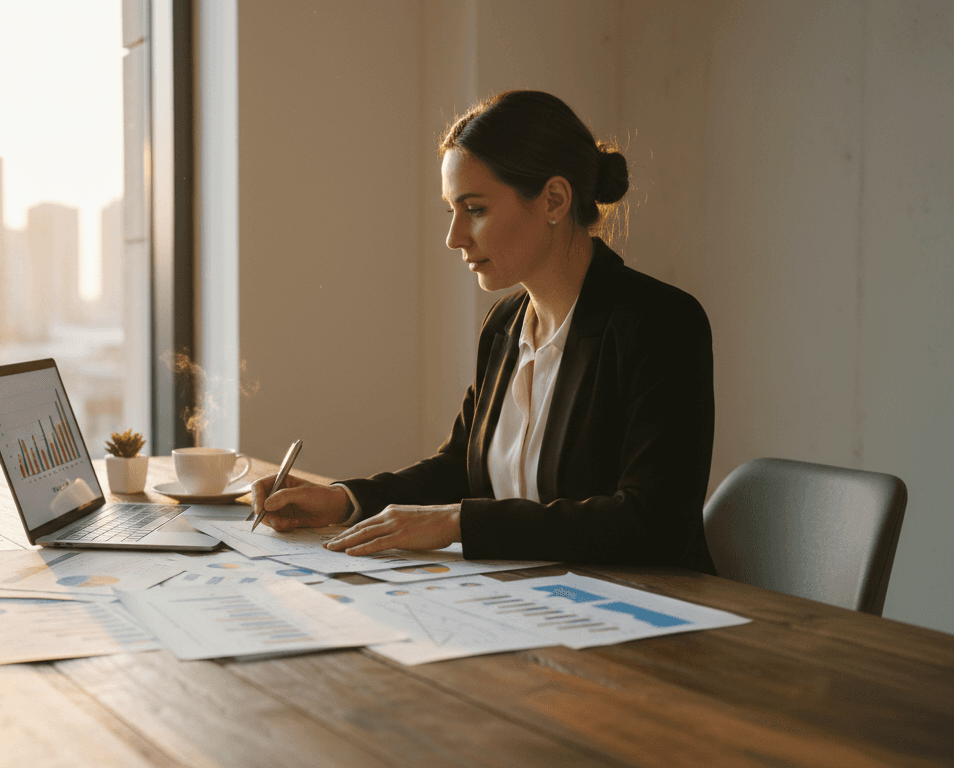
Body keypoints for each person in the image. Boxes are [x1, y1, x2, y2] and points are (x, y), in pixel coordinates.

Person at [251, 90, 716, 574]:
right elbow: (461, 468)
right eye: (451, 211)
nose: (454, 237)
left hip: (649, 603)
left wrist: (460, 523)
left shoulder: (661, 322)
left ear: (554, 200)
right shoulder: (504, 325)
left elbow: (652, 521)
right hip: (535, 594)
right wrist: (343, 499)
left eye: (474, 209)